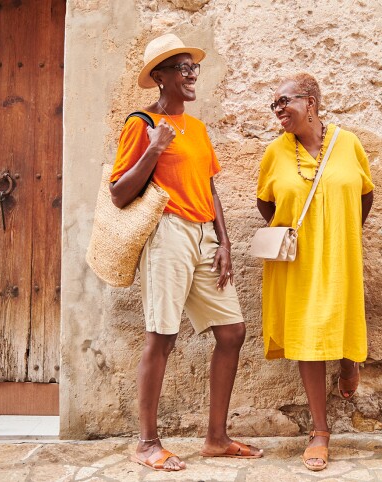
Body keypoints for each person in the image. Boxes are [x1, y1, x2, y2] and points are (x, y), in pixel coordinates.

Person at [110, 33, 262, 472]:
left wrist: (225, 241)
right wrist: (154, 150)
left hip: (204, 236)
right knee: (162, 334)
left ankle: (216, 438)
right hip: (168, 233)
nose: (191, 74)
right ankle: (147, 443)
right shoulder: (140, 124)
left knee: (232, 331)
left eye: (193, 67)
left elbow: (209, 187)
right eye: (181, 68)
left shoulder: (196, 128)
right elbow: (119, 193)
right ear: (160, 77)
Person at [256, 72, 374, 471]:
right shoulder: (275, 152)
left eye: (283, 101)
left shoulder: (349, 144)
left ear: (310, 102)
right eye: (273, 105)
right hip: (298, 259)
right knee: (307, 335)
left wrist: (339, 231)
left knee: (338, 320)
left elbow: (365, 196)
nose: (278, 110)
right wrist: (299, 230)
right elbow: (266, 205)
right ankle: (320, 432)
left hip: (340, 251)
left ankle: (348, 361)